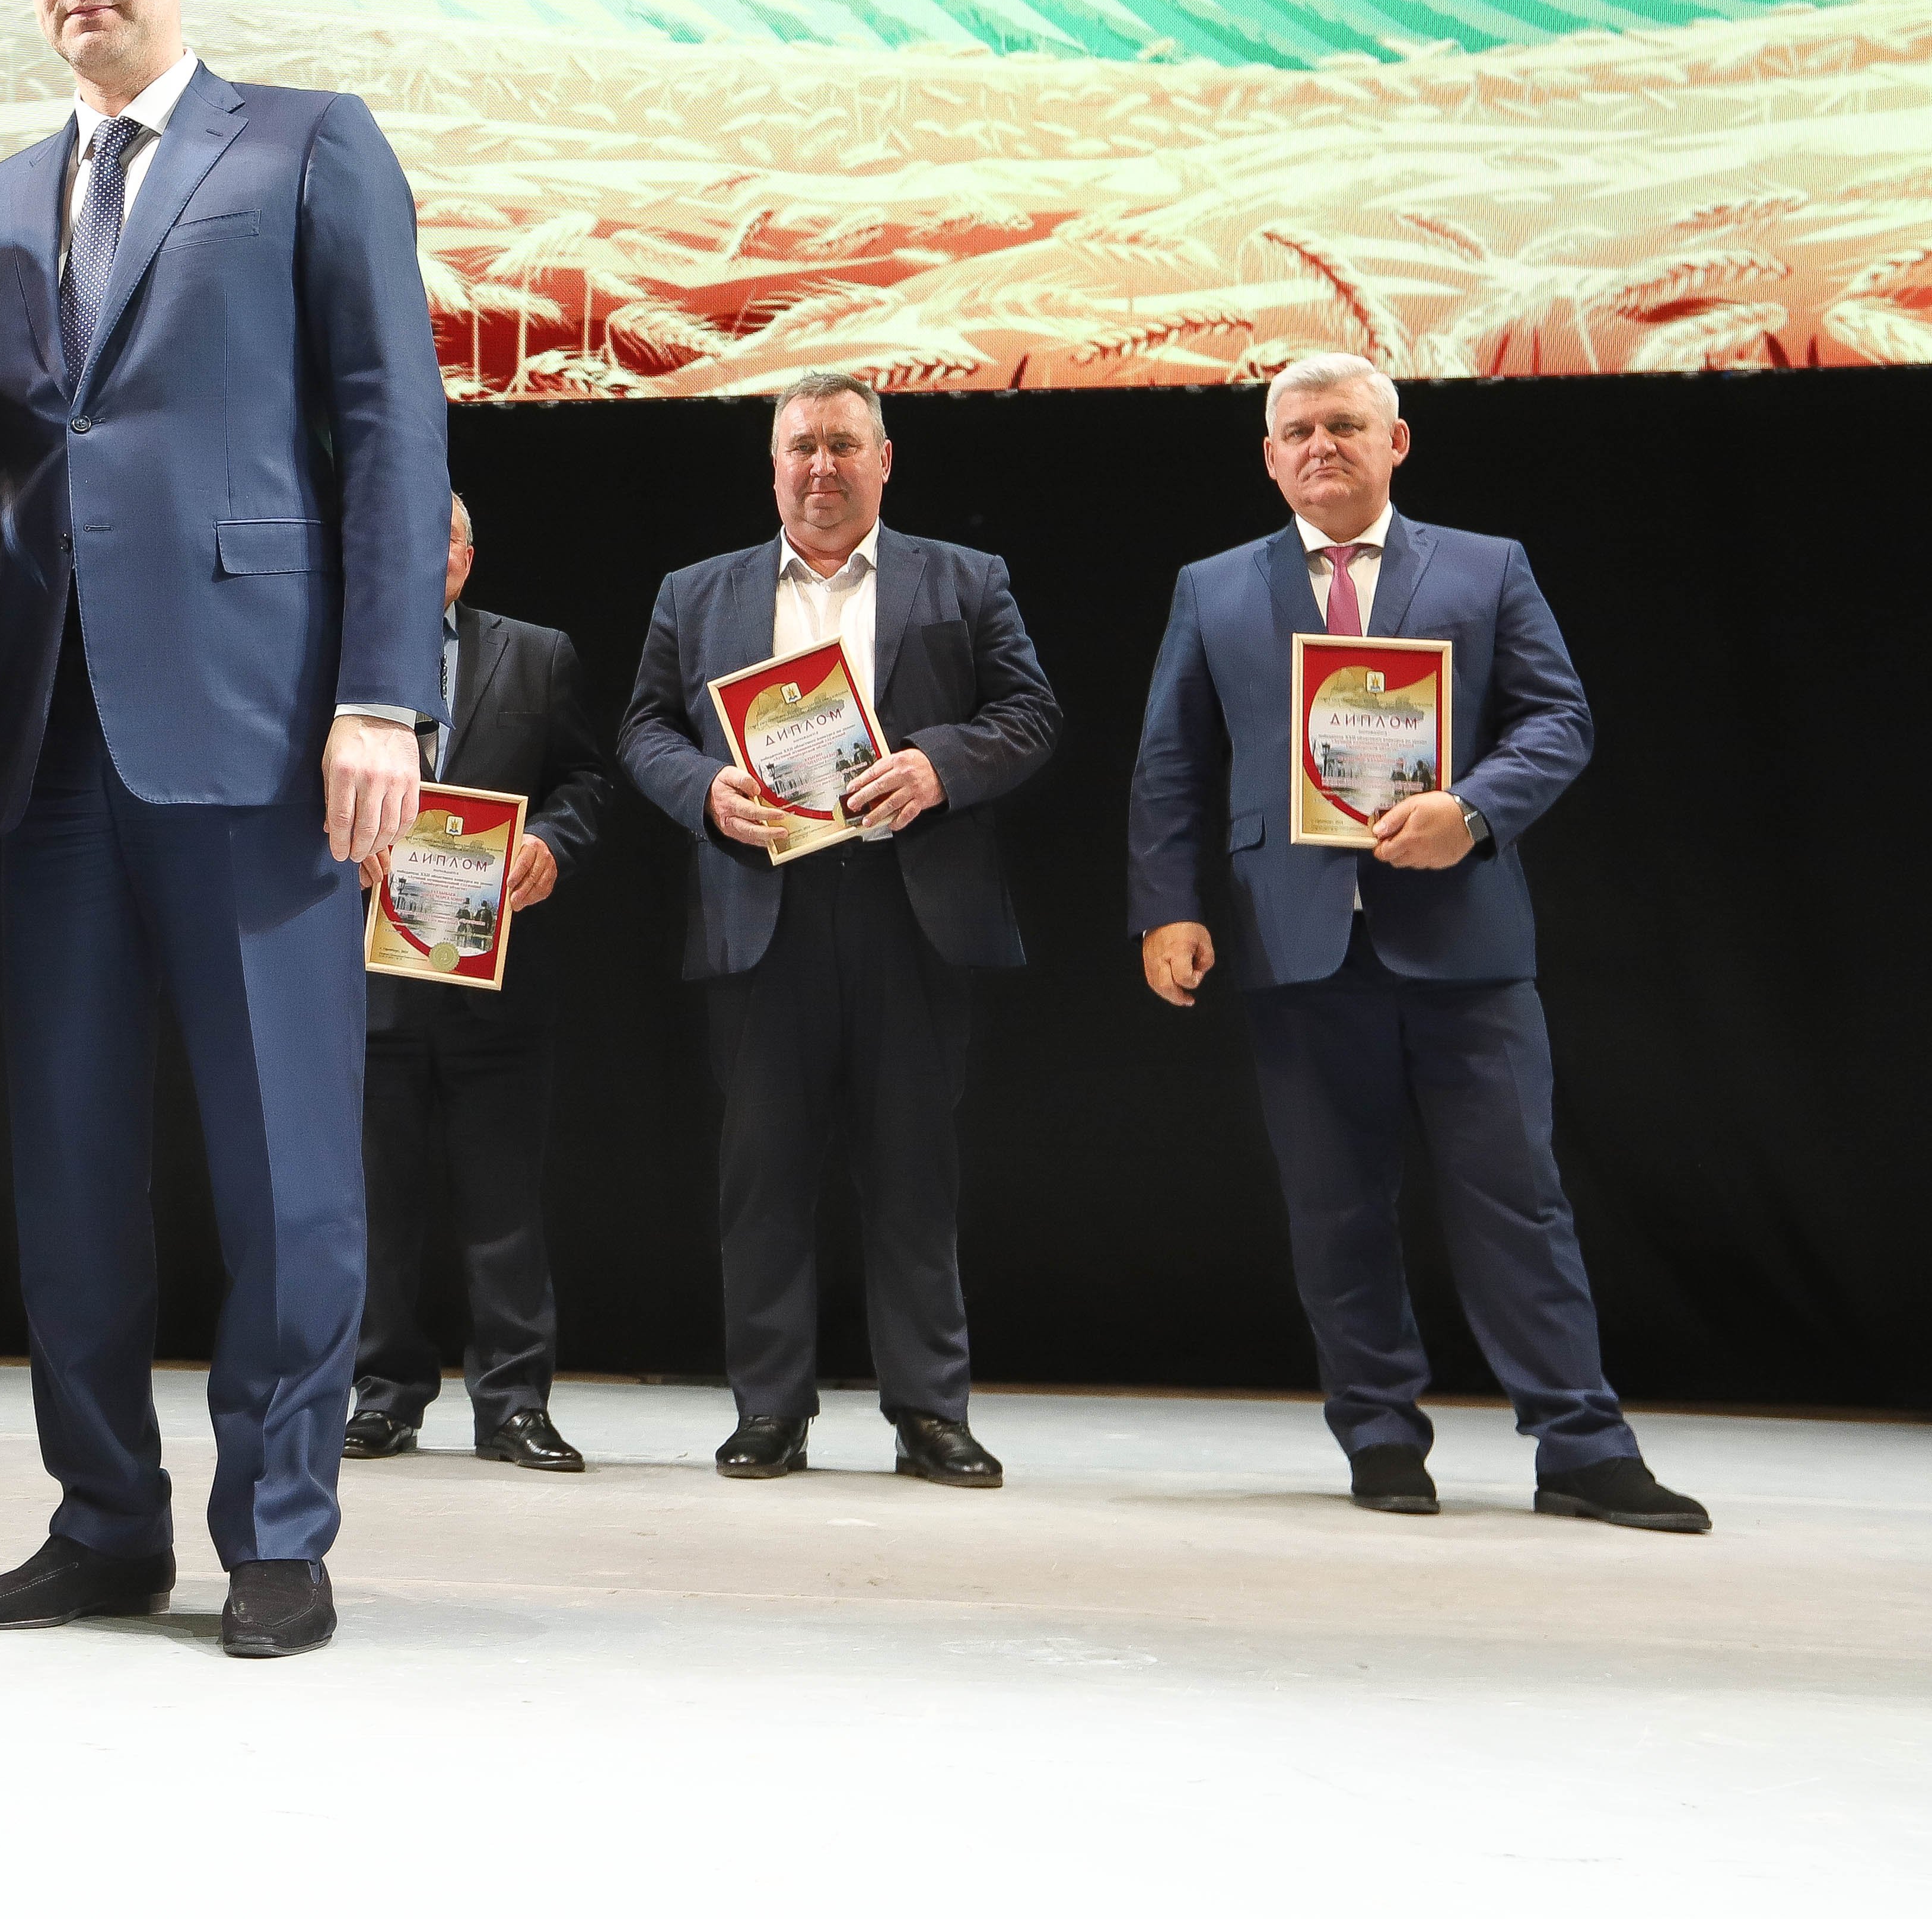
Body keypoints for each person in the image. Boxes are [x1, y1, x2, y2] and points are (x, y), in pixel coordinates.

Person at [0, 0, 449, 1660]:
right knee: (70, 1166)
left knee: (289, 1163)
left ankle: (278, 1529)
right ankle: (103, 1522)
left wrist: (384, 696)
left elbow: (392, 427)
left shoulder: (307, 145)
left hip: (264, 728)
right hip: (43, 750)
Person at [1128, 353, 1707, 1532]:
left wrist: (1474, 811)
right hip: (1295, 944)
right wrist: (1167, 907)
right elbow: (1172, 763)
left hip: (1465, 945)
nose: (1321, 445)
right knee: (1334, 1208)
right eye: (1298, 430)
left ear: (1396, 441)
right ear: (1269, 456)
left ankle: (1582, 1447)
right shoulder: (1214, 586)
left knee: (1518, 1203)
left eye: (1346, 424)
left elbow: (1559, 718)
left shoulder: (1488, 567)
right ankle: (1381, 1437)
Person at [619, 373, 1058, 1487]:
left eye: (844, 445)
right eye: (802, 446)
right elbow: (644, 731)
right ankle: (770, 1411)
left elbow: (1031, 715)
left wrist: (940, 765)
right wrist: (704, 790)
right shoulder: (696, 592)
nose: (822, 466)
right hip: (761, 910)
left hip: (913, 911)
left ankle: (930, 1413)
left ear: (884, 460)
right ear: (773, 466)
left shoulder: (966, 579)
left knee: (915, 1173)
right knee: (762, 1178)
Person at [344, 494, 615, 1474]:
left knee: (506, 1209)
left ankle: (513, 1406)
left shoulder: (538, 654)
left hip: (496, 980)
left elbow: (587, 782)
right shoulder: (339, 656)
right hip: (369, 980)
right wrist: (344, 841)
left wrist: (552, 844)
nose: (433, 555)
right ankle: (383, 1396)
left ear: (469, 554)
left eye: (448, 538)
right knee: (378, 1210)